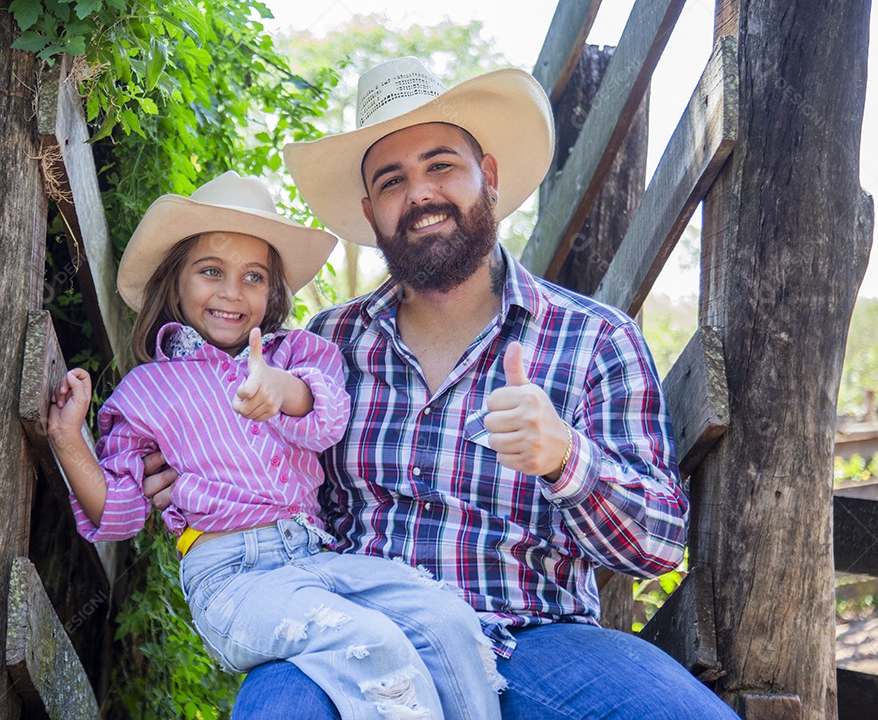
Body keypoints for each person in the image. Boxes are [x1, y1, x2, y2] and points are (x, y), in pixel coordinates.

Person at [165, 59, 737, 718]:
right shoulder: (328, 344)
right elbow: (256, 461)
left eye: (441, 166)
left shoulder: (593, 340)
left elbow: (660, 545)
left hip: (537, 641)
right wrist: (183, 461)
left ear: (486, 179)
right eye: (392, 180)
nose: (420, 194)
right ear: (370, 211)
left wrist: (565, 459)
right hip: (352, 636)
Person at [47, 170, 506, 720]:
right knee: (371, 643)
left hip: (317, 556)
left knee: (445, 622)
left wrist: (279, 391)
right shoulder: (144, 391)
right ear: (175, 281)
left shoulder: (299, 355)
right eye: (210, 272)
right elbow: (119, 513)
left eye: (254, 277)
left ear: (273, 292)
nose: (231, 293)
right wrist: (69, 438)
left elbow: (327, 418)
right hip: (232, 578)